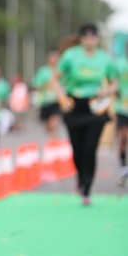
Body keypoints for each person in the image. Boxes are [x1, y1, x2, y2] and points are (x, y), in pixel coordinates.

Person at [51, 23, 118, 206]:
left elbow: (114, 82)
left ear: (97, 38)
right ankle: (81, 178)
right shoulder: (71, 56)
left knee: (90, 149)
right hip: (74, 106)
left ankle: (87, 189)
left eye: (93, 35)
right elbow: (55, 79)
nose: (90, 39)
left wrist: (107, 91)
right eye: (86, 35)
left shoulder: (105, 59)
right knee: (78, 150)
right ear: (81, 38)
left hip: (96, 107)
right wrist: (61, 97)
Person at [32, 50, 62, 140]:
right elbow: (36, 85)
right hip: (45, 101)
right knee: (47, 125)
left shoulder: (60, 71)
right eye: (53, 58)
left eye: (57, 58)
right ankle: (52, 136)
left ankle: (55, 140)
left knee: (54, 121)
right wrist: (47, 85)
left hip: (56, 100)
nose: (55, 60)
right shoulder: (43, 71)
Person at [114, 40, 128, 186]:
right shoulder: (119, 65)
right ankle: (124, 171)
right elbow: (111, 82)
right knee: (124, 139)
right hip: (122, 108)